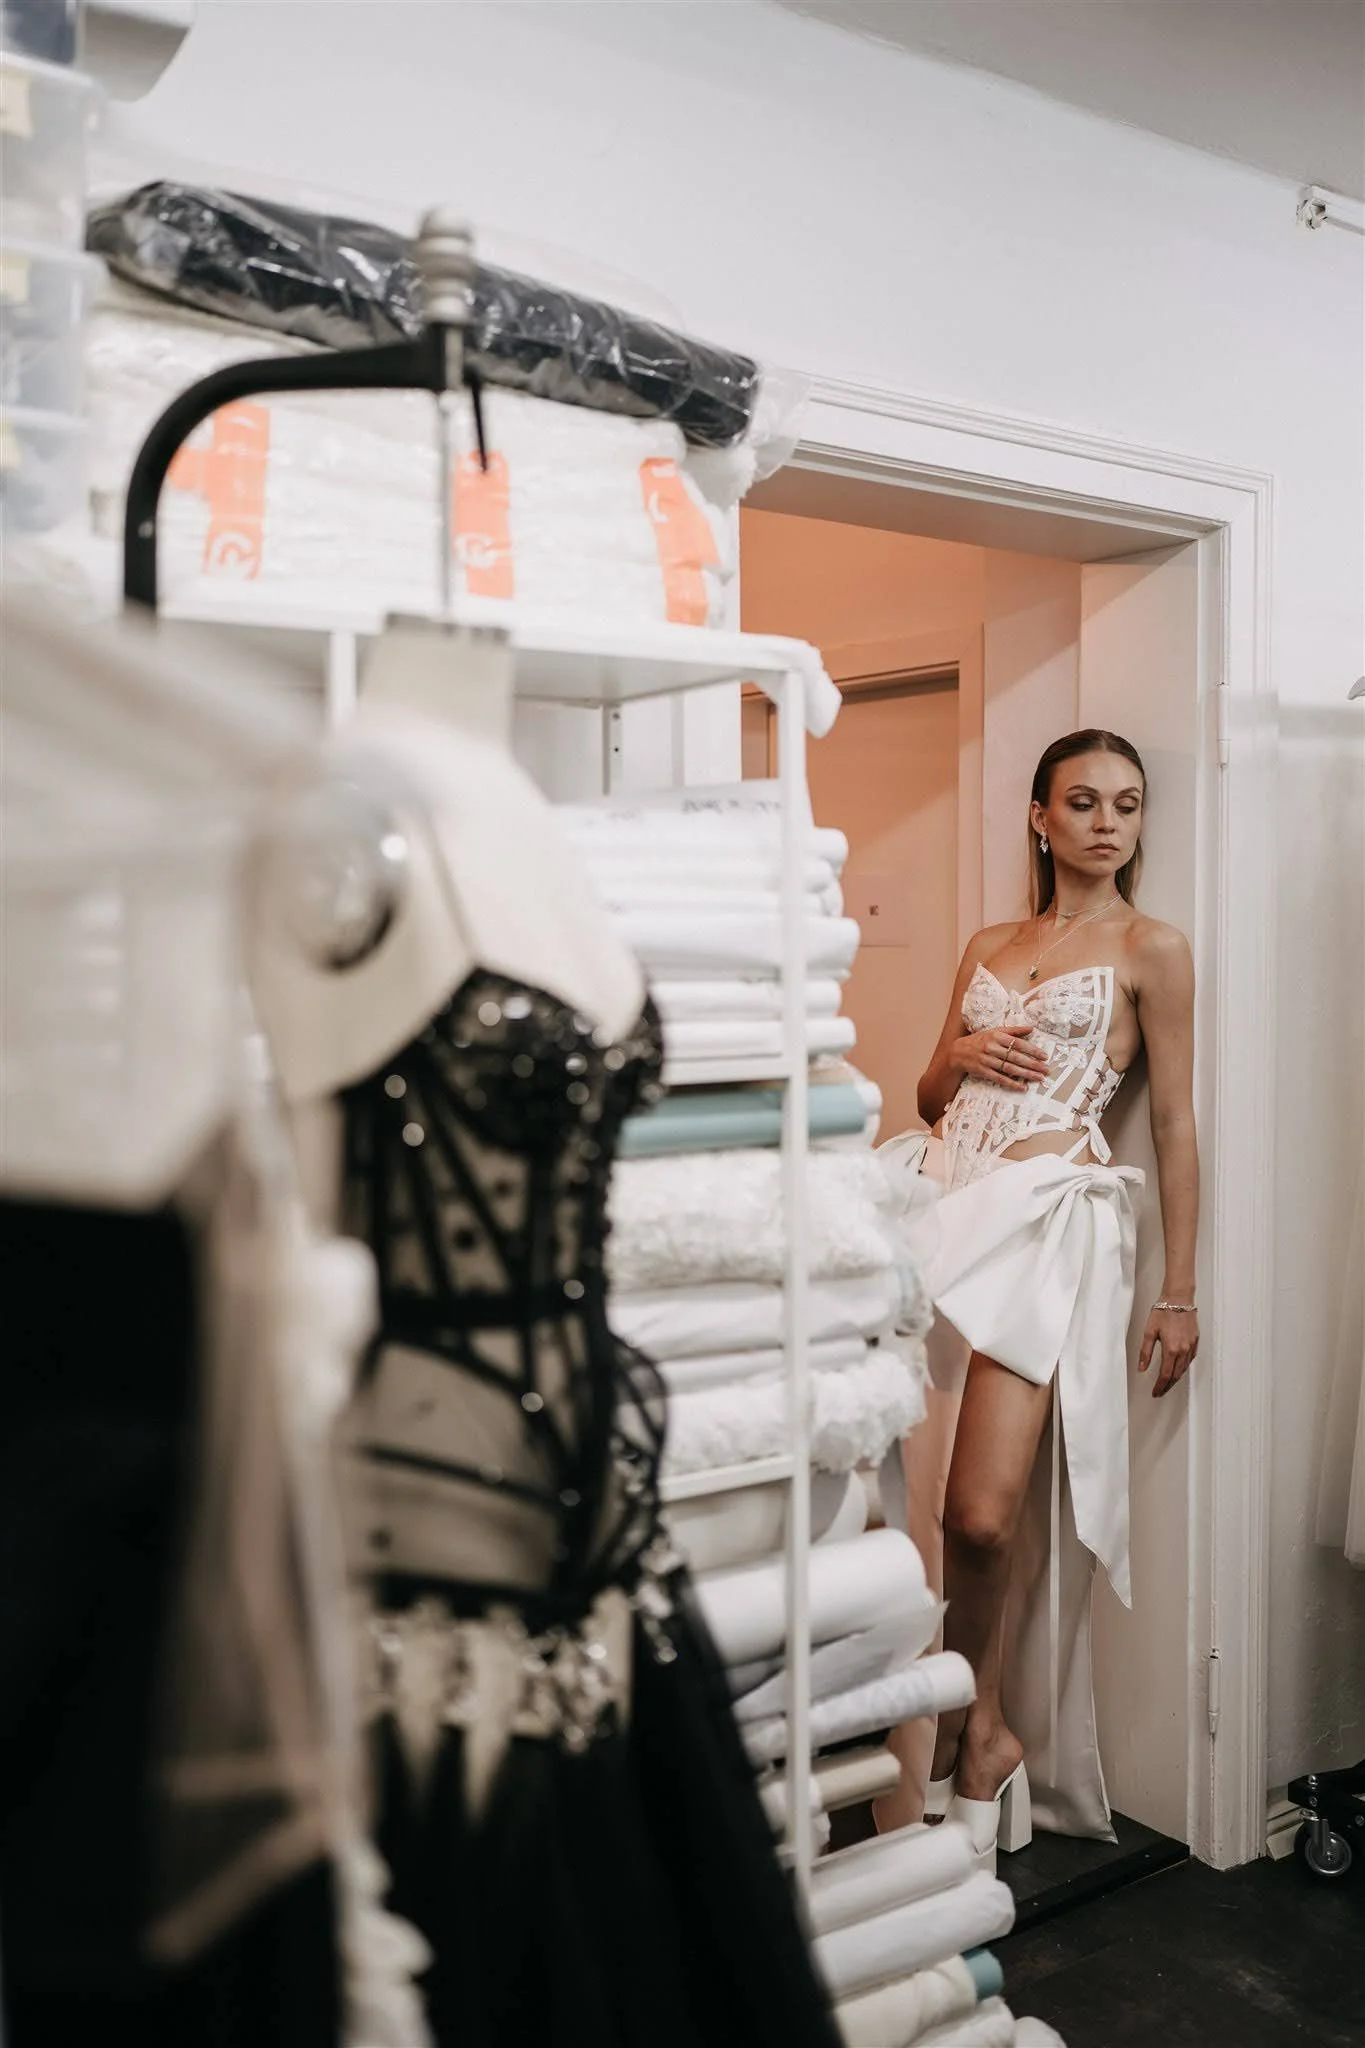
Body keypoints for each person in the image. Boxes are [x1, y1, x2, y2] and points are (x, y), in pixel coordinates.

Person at [882, 728, 1199, 1867]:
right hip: (937, 1205)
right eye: (1083, 800)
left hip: (1041, 1224)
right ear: (1040, 816)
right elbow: (927, 1094)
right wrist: (963, 1048)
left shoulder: (1152, 947)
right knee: (906, 1492)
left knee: (983, 1509)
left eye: (1127, 802)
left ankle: (988, 1725)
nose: (1108, 821)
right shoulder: (989, 939)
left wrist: (1180, 1287)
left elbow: (1171, 1123)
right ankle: (943, 1721)